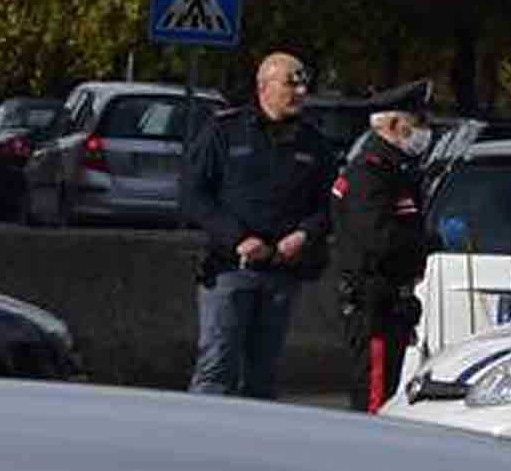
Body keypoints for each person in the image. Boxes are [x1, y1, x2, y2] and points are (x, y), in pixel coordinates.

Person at [184, 50, 338, 398]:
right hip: (230, 268)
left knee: (263, 375)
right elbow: (194, 195)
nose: (300, 92)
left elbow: (330, 204)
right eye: (290, 84)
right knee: (216, 367)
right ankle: (201, 430)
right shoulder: (225, 131)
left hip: (283, 271)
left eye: (304, 85)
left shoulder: (313, 142)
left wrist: (304, 234)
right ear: (264, 86)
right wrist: (237, 238)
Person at [327, 104, 439, 411]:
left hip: (391, 303)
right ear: (392, 124)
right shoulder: (370, 174)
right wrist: (428, 243)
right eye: (417, 122)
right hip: (374, 304)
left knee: (386, 392)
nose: (423, 132)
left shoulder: (395, 171)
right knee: (373, 401)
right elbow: (380, 239)